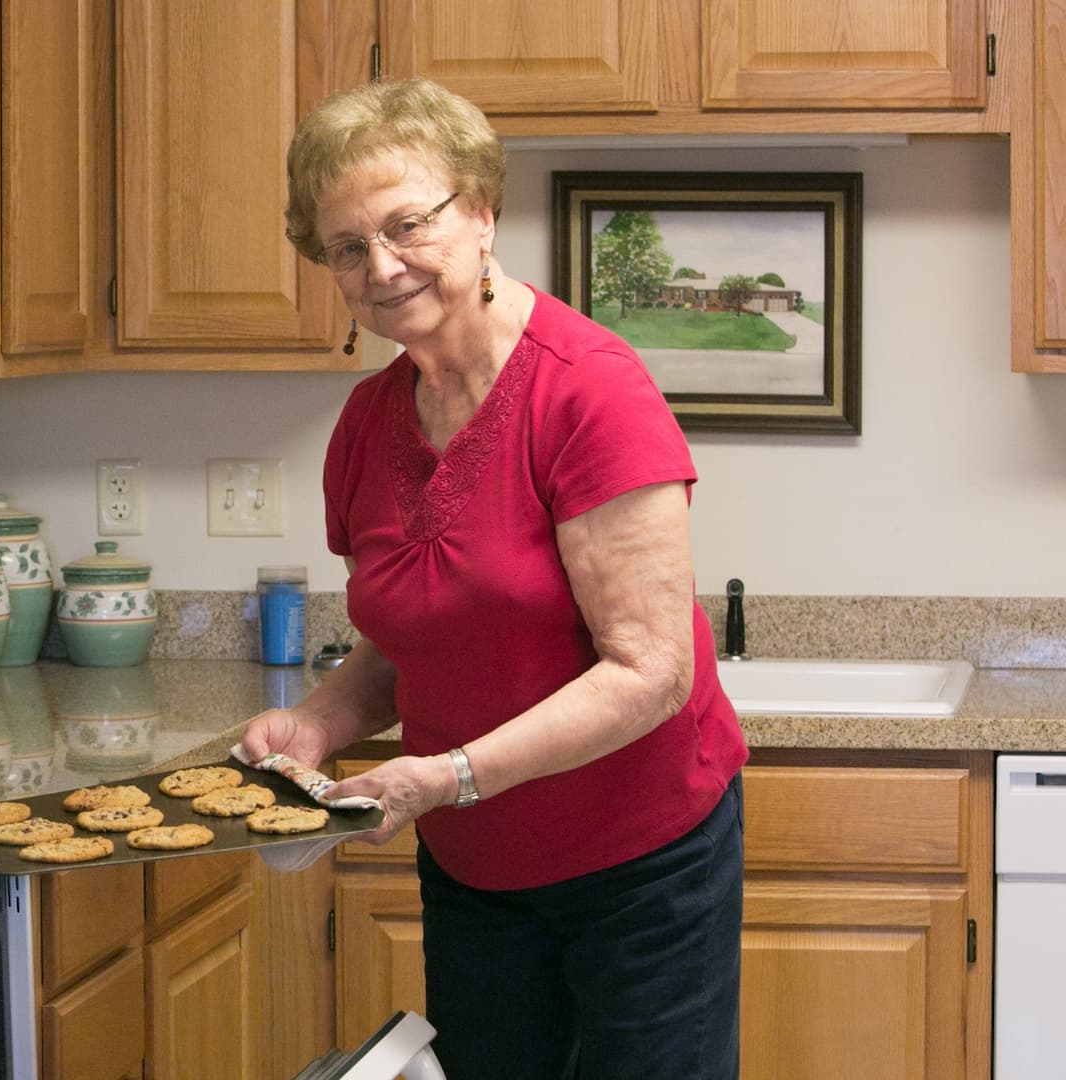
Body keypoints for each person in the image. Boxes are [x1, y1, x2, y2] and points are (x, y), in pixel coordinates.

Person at [240, 77, 748, 1079]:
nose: (382, 267)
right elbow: (411, 642)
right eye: (347, 247)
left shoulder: (589, 392)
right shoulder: (366, 424)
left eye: (407, 225)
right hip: (474, 870)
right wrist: (319, 725)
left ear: (479, 211)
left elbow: (651, 672)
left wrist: (447, 777)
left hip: (643, 871)